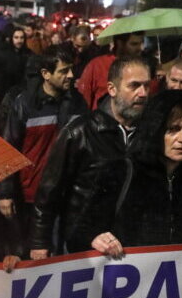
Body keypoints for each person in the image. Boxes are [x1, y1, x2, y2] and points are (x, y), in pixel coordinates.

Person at [89, 90, 182, 258]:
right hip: (131, 279)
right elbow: (81, 232)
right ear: (156, 129)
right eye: (173, 129)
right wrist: (96, 239)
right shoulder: (121, 172)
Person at [31, 56, 151, 258]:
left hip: (131, 250)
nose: (143, 93)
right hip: (82, 250)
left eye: (147, 86)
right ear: (112, 89)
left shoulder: (151, 132)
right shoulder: (80, 132)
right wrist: (40, 243)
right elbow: (49, 193)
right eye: (134, 86)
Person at [0, 46, 87, 238]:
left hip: (65, 195)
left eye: (72, 69)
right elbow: (9, 146)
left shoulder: (78, 104)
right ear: (46, 74)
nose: (71, 75)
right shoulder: (24, 104)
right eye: (64, 71)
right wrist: (5, 193)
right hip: (31, 195)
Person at [76, 31, 144, 110]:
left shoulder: (143, 66)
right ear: (120, 44)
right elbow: (83, 98)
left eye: (141, 43)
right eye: (134, 44)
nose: (140, 48)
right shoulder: (97, 65)